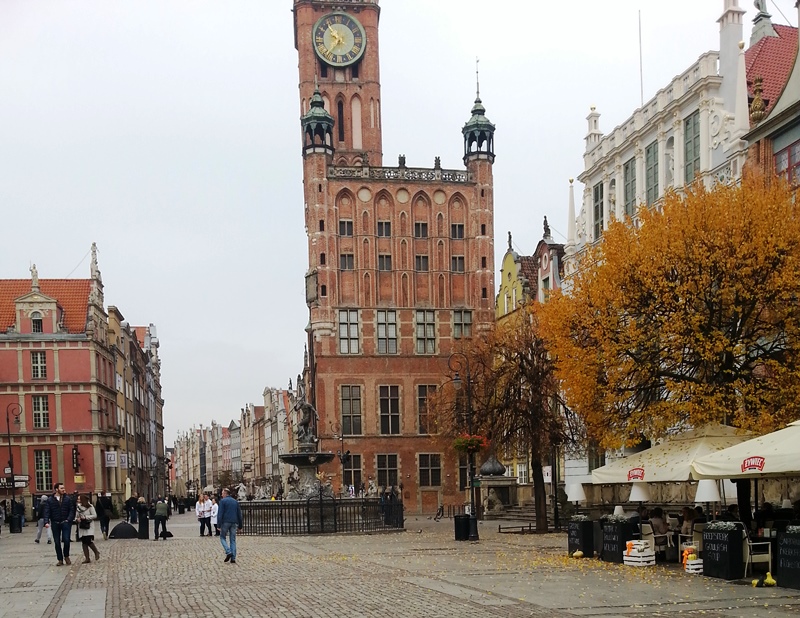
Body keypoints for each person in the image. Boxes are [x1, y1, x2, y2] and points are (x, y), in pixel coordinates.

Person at [43, 482, 76, 566]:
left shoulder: (67, 499)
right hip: (55, 522)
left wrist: (69, 519)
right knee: (57, 542)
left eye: (63, 488)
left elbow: (72, 510)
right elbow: (47, 511)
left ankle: (66, 556)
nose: (63, 489)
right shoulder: (50, 500)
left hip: (65, 522)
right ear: (56, 489)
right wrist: (46, 521)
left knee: (66, 540)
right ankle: (60, 559)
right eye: (61, 488)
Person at [217, 487, 243, 564]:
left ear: (225, 493)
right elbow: (239, 514)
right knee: (233, 540)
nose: (221, 495)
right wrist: (240, 526)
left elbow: (220, 514)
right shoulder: (235, 502)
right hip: (234, 522)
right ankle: (233, 558)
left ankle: (228, 552)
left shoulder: (222, 501)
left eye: (222, 493)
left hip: (225, 522)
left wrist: (218, 525)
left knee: (222, 537)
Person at [76, 494, 100, 563]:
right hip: (82, 526)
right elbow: (76, 516)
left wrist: (86, 517)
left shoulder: (90, 507)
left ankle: (96, 552)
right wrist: (77, 519)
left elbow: (94, 515)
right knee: (84, 541)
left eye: (79, 499)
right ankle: (87, 558)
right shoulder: (78, 507)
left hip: (89, 525)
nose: (78, 500)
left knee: (88, 540)